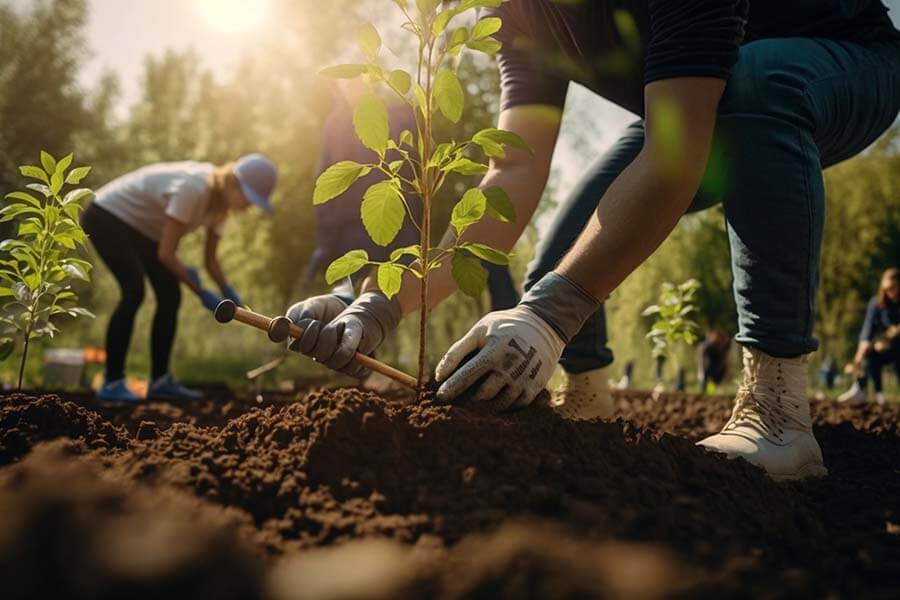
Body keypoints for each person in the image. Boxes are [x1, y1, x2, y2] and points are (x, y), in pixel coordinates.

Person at [285, 1, 900, 480]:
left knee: (760, 84)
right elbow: (513, 171)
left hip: (843, 63)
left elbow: (677, 155)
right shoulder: (518, 15)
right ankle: (584, 401)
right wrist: (380, 302)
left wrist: (551, 316)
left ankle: (779, 409)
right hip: (698, 103)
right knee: (563, 255)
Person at [302, 83, 519, 311]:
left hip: (399, 224)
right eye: (345, 85)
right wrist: (326, 239)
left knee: (395, 299)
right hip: (355, 229)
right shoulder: (339, 123)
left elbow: (420, 162)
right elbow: (326, 179)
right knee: (351, 299)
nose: (351, 89)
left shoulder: (396, 114)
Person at [81, 154, 277, 401]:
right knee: (134, 290)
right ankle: (112, 381)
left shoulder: (221, 210)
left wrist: (227, 290)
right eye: (249, 199)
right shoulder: (194, 188)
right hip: (107, 216)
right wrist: (201, 292)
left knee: (169, 294)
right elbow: (166, 253)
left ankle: (160, 381)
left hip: (144, 230)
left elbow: (210, 260)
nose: (249, 207)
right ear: (232, 182)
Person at [838, 267, 900, 405]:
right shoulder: (876, 304)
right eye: (887, 289)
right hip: (886, 348)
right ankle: (865, 391)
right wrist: (858, 359)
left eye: (894, 287)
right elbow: (867, 332)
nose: (890, 292)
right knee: (870, 354)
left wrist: (890, 337)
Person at [697, 330, 732, 394]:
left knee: (714, 382)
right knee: (706, 380)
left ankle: (711, 392)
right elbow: (701, 358)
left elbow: (726, 359)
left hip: (718, 366)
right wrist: (701, 370)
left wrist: (727, 372)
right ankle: (705, 392)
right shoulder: (708, 346)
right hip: (708, 365)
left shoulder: (726, 346)